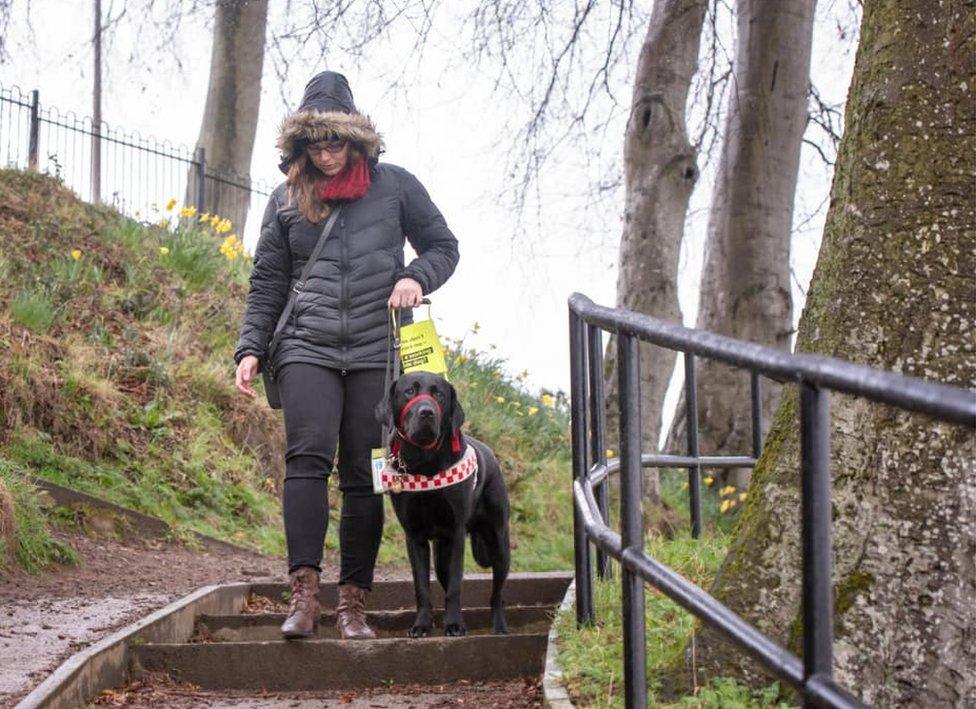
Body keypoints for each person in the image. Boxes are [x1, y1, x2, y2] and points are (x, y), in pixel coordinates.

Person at [233, 70, 459, 640]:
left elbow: (444, 246)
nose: (327, 154)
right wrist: (251, 347)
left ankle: (353, 603)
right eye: (316, 143)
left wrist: (414, 276)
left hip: (375, 350)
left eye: (336, 141)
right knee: (306, 461)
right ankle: (304, 596)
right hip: (306, 346)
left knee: (364, 473)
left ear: (356, 139)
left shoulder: (396, 186)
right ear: (301, 145)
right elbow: (267, 281)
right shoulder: (286, 198)